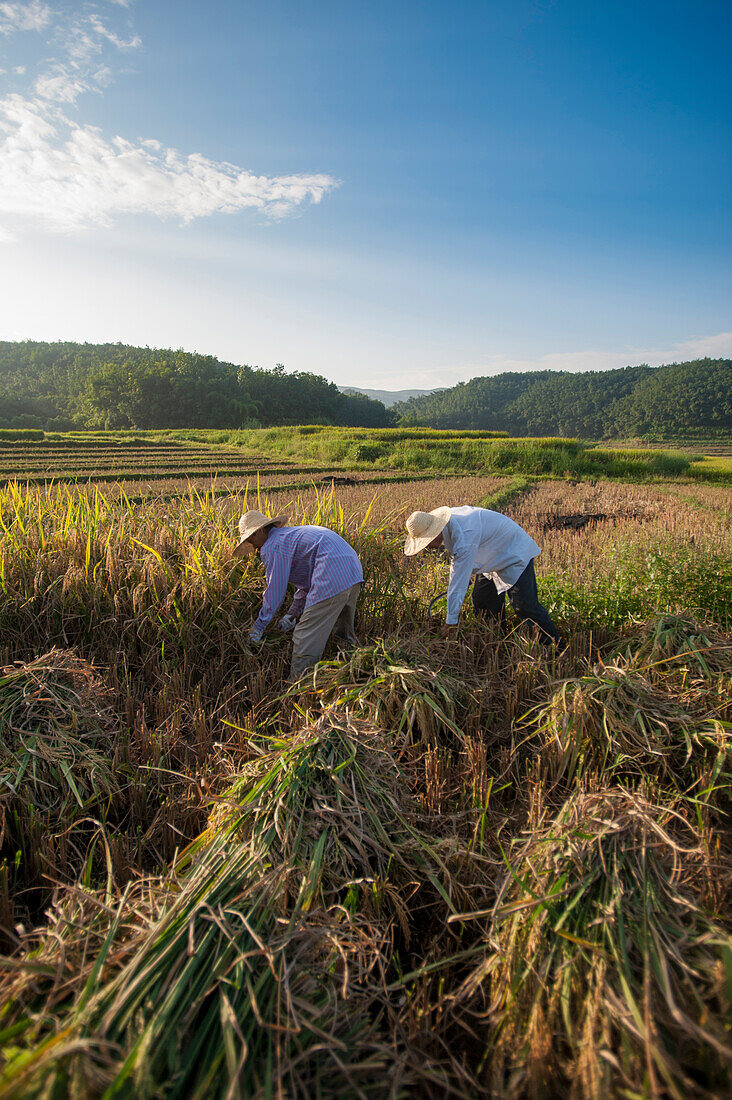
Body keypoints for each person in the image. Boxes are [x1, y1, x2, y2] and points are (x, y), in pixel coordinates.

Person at [233, 510, 364, 680]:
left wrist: (259, 627)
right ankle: (354, 671)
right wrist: (292, 614)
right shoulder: (288, 536)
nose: (253, 546)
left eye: (250, 539)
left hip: (331, 571)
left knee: (304, 636)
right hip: (352, 571)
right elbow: (307, 584)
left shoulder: (272, 545)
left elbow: (275, 590)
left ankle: (298, 686)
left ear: (259, 531)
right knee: (342, 631)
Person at [403, 505, 561, 645]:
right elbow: (464, 563)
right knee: (483, 601)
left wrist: (451, 622)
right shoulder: (451, 525)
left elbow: (457, 580)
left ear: (435, 533)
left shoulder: (464, 534)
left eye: (426, 542)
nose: (427, 547)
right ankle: (496, 641)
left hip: (513, 552)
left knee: (525, 606)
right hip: (491, 555)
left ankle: (554, 647)